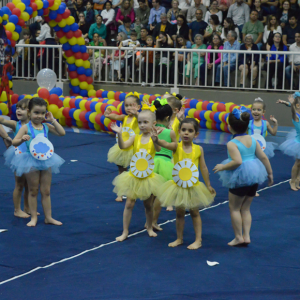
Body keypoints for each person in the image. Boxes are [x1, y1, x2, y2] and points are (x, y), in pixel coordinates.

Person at [213, 107, 273, 246]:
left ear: (229, 126)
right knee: (245, 208)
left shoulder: (232, 143)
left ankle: (238, 237)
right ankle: (246, 236)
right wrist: (269, 173)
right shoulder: (253, 139)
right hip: (254, 176)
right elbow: (263, 157)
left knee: (234, 208)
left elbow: (237, 161)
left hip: (240, 176)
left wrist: (222, 166)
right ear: (247, 125)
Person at [158, 118, 216, 249]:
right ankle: (179, 238)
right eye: (183, 130)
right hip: (178, 185)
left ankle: (198, 240)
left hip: (192, 186)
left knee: (194, 212)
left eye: (190, 131)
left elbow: (204, 168)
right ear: (179, 132)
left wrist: (208, 185)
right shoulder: (176, 146)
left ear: (196, 134)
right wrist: (156, 139)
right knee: (179, 213)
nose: (186, 133)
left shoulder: (198, 149)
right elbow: (164, 144)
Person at [112, 104, 165, 241]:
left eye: (145, 122)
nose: (142, 125)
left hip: (147, 177)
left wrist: (156, 140)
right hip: (134, 176)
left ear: (153, 124)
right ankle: (125, 232)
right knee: (129, 203)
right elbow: (123, 146)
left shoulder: (153, 139)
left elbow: (158, 150)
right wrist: (119, 133)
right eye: (140, 122)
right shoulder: (135, 138)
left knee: (148, 205)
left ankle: (149, 227)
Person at [11, 97, 65, 227]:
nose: (39, 116)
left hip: (46, 160)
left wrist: (53, 120)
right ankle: (34, 217)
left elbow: (62, 133)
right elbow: (14, 142)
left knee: (46, 191)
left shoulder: (46, 126)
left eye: (42, 113)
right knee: (33, 190)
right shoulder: (25, 128)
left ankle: (48, 217)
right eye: (36, 112)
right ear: (29, 112)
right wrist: (22, 140)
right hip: (30, 161)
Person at [144, 99, 177, 230]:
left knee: (150, 195)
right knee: (160, 196)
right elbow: (175, 149)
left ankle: (148, 221)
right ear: (168, 117)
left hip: (152, 161)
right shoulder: (170, 132)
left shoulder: (151, 130)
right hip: (164, 163)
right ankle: (154, 222)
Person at [106, 95, 140, 201]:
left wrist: (137, 113)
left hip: (135, 148)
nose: (128, 108)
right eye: (126, 105)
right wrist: (107, 115)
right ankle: (120, 193)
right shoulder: (124, 117)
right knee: (122, 171)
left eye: (131, 105)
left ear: (138, 107)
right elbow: (115, 117)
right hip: (123, 148)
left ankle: (133, 191)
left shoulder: (138, 118)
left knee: (135, 172)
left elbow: (142, 118)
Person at [0, 98, 30, 218]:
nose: (18, 111)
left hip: (30, 157)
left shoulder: (33, 125)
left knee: (29, 184)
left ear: (30, 111)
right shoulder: (15, 124)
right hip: (18, 157)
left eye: (22, 109)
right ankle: (17, 209)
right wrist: (6, 136)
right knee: (19, 184)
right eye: (17, 108)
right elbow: (1, 120)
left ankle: (27, 207)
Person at [278, 93, 300, 190]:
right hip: (298, 142)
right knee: (298, 162)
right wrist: (290, 104)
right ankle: (292, 180)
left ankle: (297, 179)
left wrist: (286, 103)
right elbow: (293, 111)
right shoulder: (296, 117)